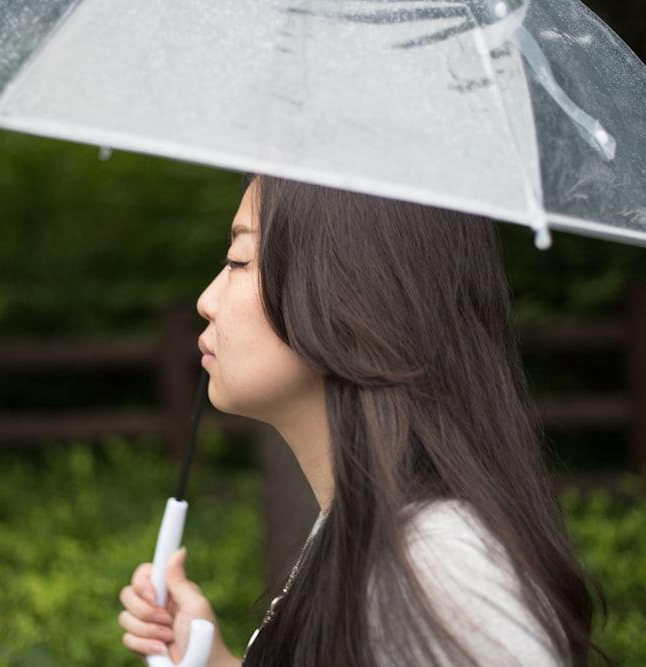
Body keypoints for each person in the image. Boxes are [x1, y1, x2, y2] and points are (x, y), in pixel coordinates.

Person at [118, 176, 603, 666]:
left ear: (347, 293)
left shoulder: (439, 566)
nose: (206, 299)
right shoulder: (368, 532)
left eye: (239, 260)